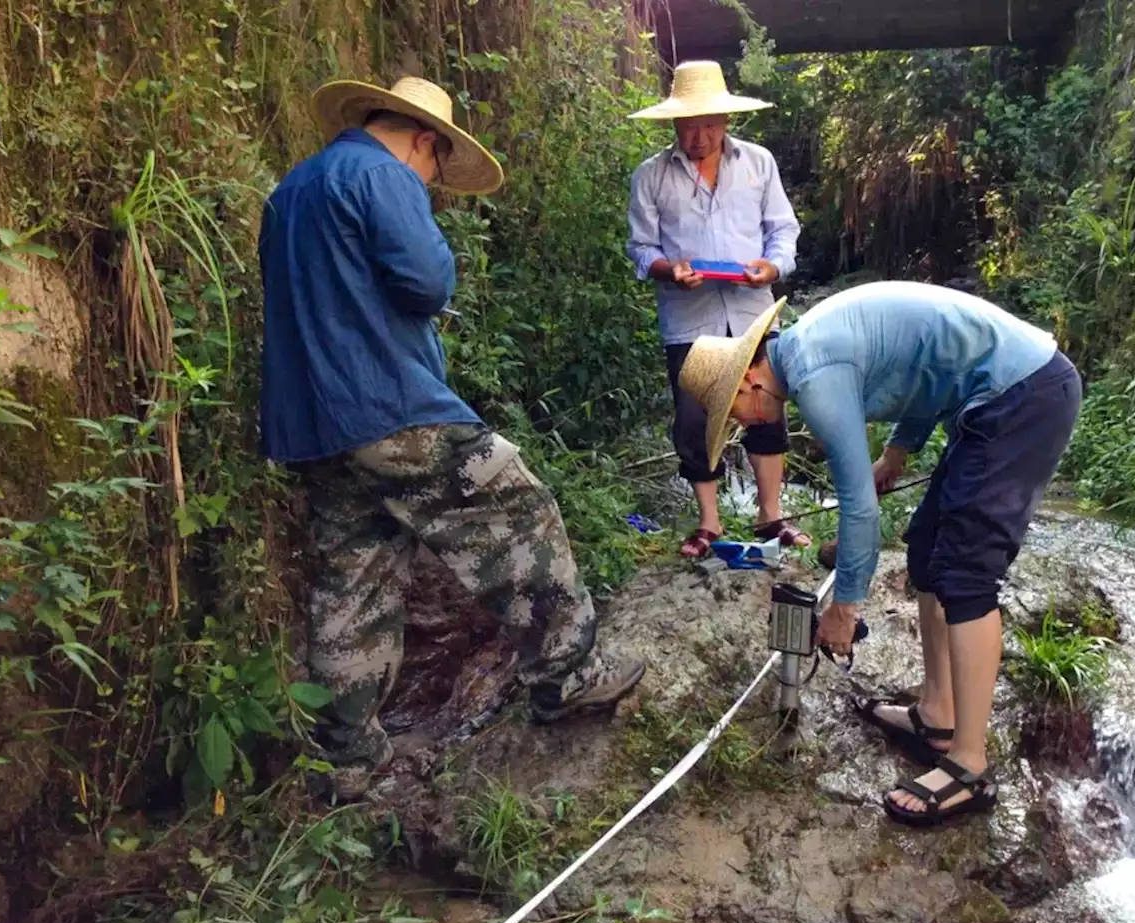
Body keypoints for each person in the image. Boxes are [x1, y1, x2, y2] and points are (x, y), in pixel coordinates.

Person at [258, 75, 645, 799]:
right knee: (520, 511)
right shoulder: (383, 173)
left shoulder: (292, 190)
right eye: (436, 171)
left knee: (354, 585)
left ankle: (348, 762)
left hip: (315, 426)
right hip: (392, 408)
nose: (433, 184)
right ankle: (568, 677)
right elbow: (428, 282)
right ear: (426, 143)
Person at [676, 281, 1081, 826]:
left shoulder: (815, 377)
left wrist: (844, 607)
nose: (744, 424)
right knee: (927, 552)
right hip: (997, 397)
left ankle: (969, 764)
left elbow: (860, 510)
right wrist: (894, 456)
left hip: (1023, 396)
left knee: (965, 575)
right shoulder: (807, 350)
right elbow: (924, 372)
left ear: (750, 380)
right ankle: (938, 716)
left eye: (736, 413)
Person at [626, 60, 808, 559]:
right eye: (689, 126)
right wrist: (669, 271)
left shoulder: (757, 162)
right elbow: (641, 248)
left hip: (754, 310)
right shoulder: (651, 176)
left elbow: (783, 229)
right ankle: (709, 522)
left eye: (709, 124)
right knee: (693, 417)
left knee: (766, 407)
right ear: (674, 125)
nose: (699, 136)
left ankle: (771, 515)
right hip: (689, 320)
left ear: (727, 121)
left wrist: (772, 269)